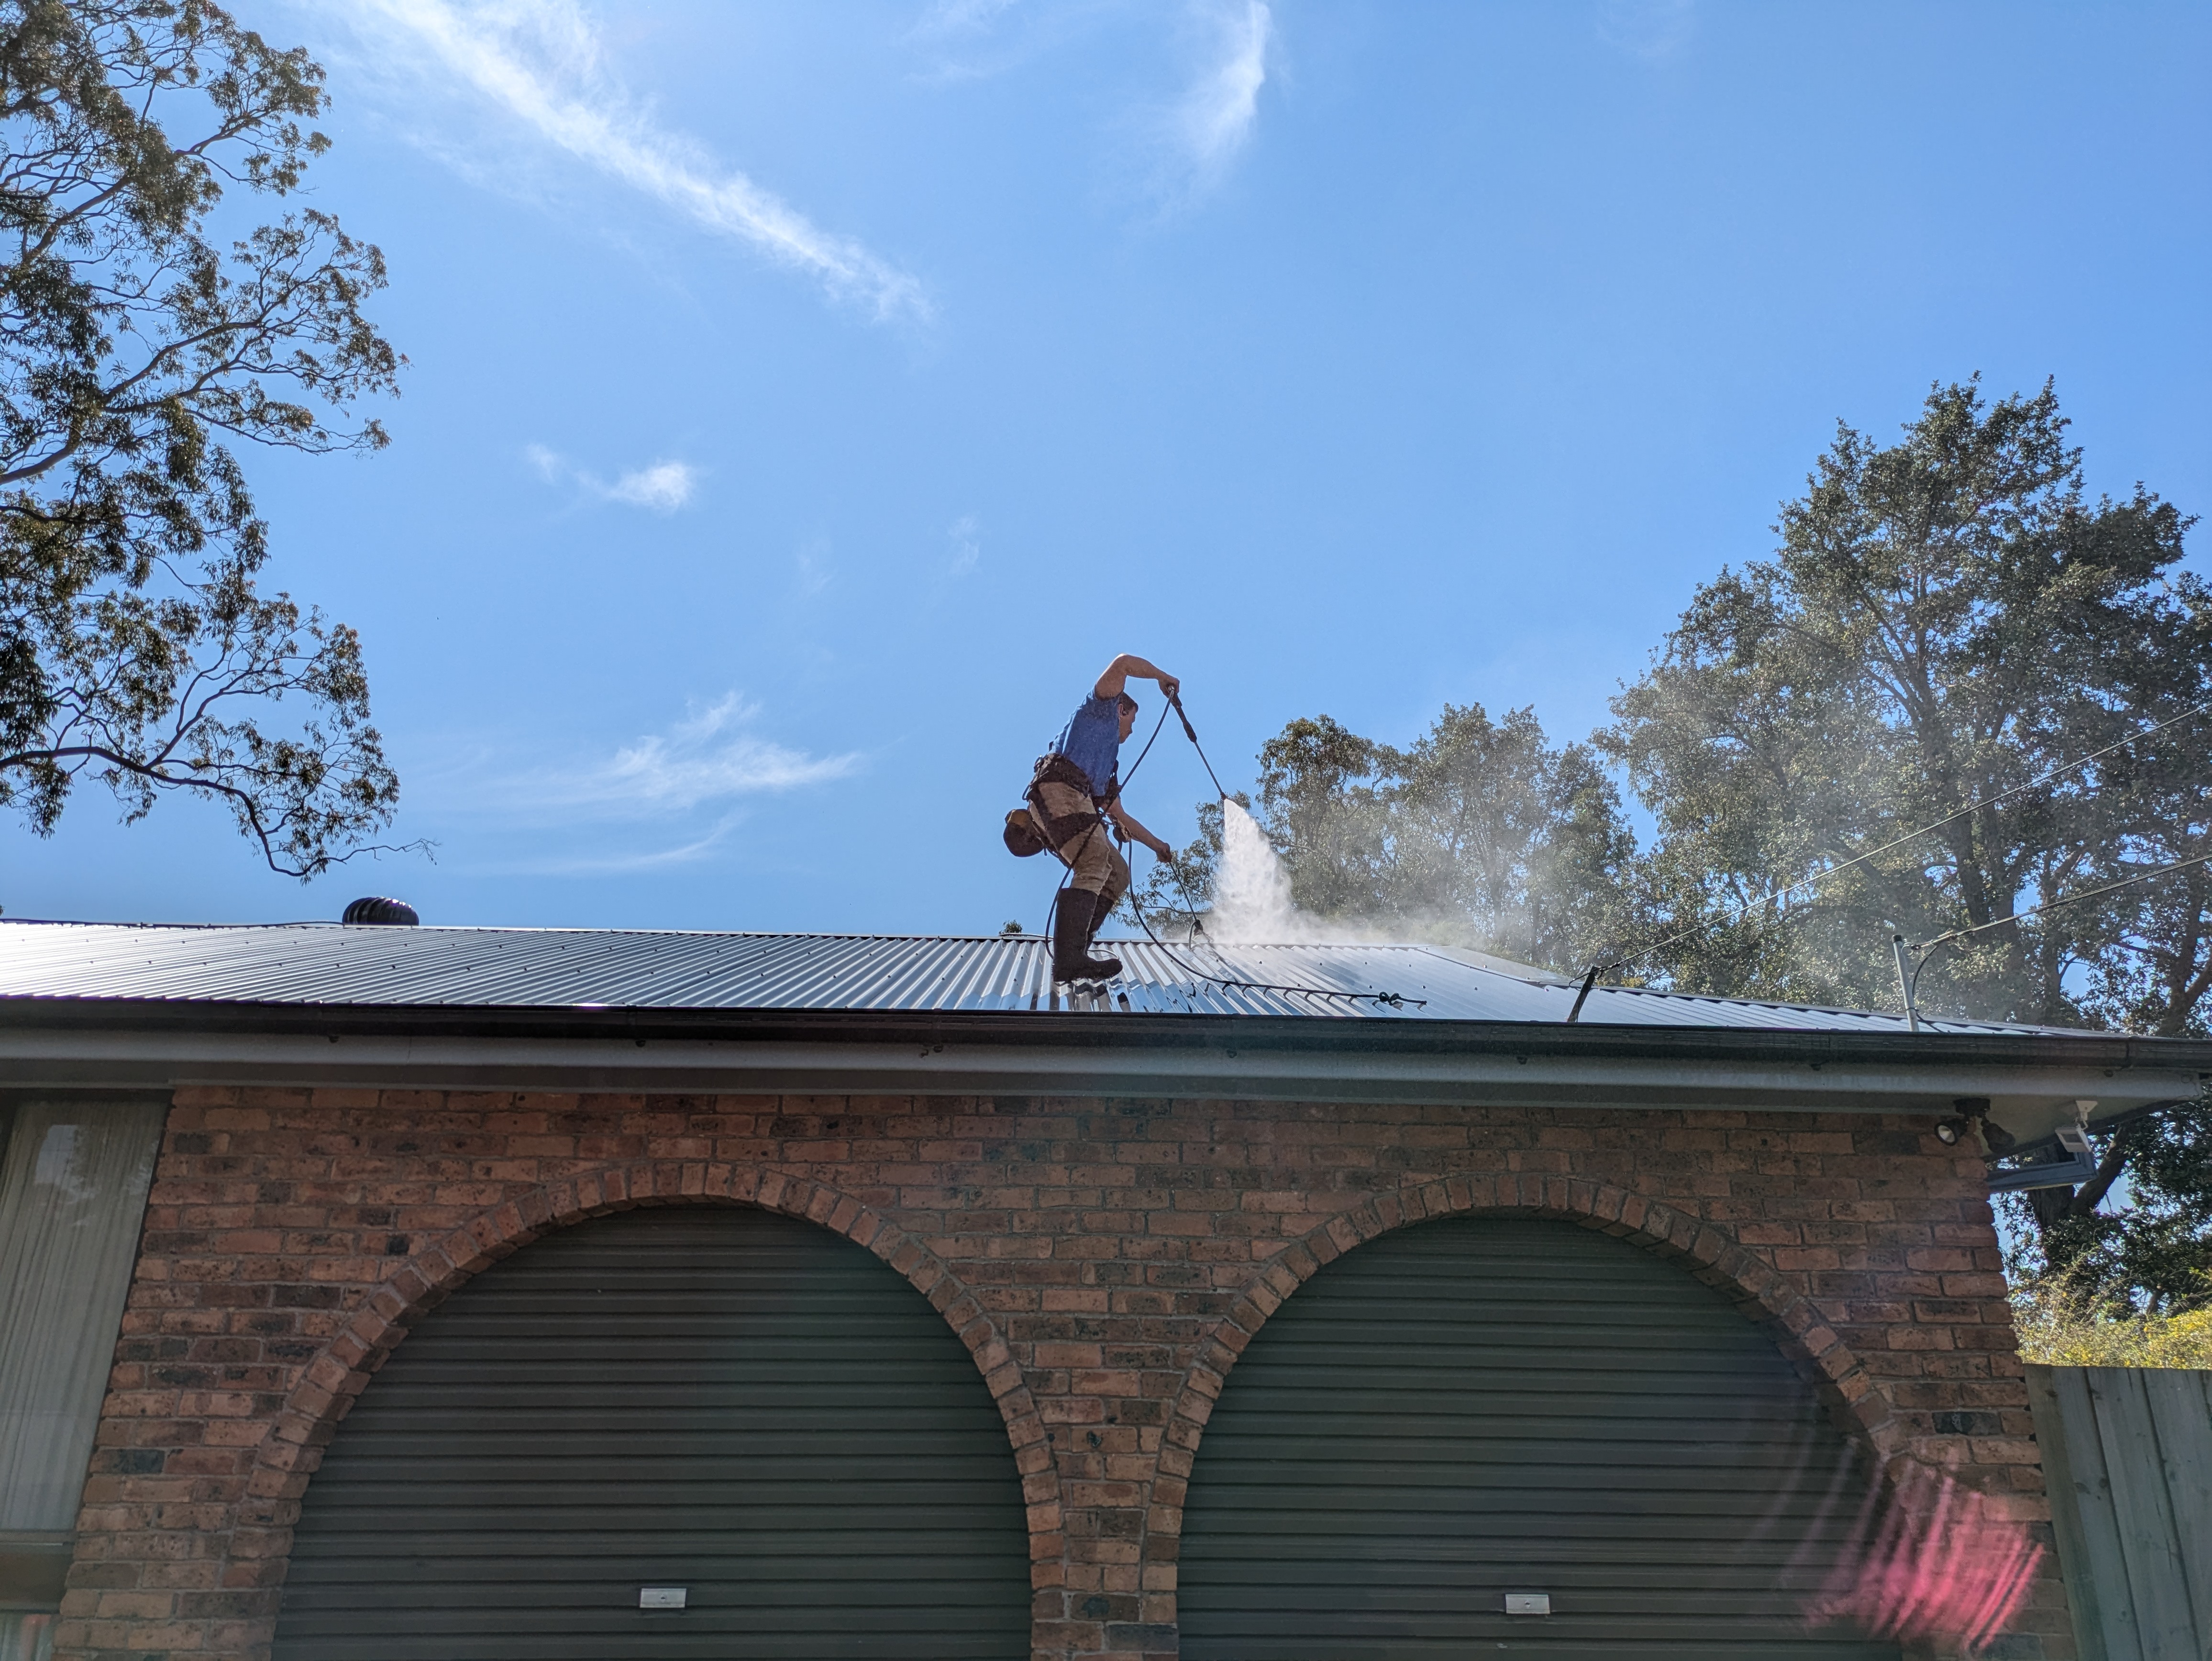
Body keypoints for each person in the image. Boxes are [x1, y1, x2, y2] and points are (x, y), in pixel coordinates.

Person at [1027, 653, 1180, 983]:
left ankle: (1078, 951)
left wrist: (1156, 846)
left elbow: (1119, 814)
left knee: (1118, 874)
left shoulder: (1109, 764)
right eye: (1132, 722)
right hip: (1059, 789)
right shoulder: (1099, 711)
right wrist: (1160, 677)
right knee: (1095, 860)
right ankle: (1068, 960)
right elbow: (1123, 663)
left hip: (1076, 800)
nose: (1132, 730)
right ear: (1121, 710)